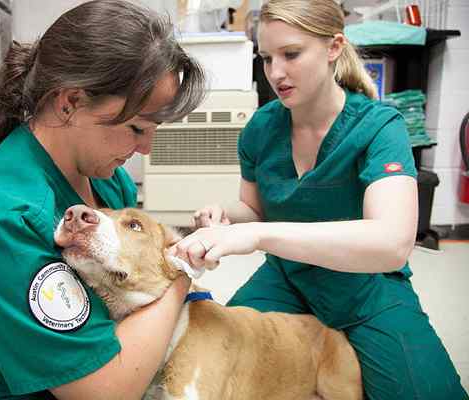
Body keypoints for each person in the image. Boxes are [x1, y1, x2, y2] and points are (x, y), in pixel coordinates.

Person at [0, 1, 204, 399]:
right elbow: (103, 391)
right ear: (70, 102)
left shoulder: (107, 183)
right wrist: (180, 275)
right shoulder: (5, 218)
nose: (146, 148)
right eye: (136, 127)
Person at [170, 0, 469, 399]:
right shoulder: (261, 128)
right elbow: (255, 210)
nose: (276, 73)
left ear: (333, 48)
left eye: (291, 54)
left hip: (365, 288)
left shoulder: (379, 127)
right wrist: (227, 217)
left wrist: (258, 235)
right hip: (288, 278)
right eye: (266, 58)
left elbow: (392, 245)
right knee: (226, 359)